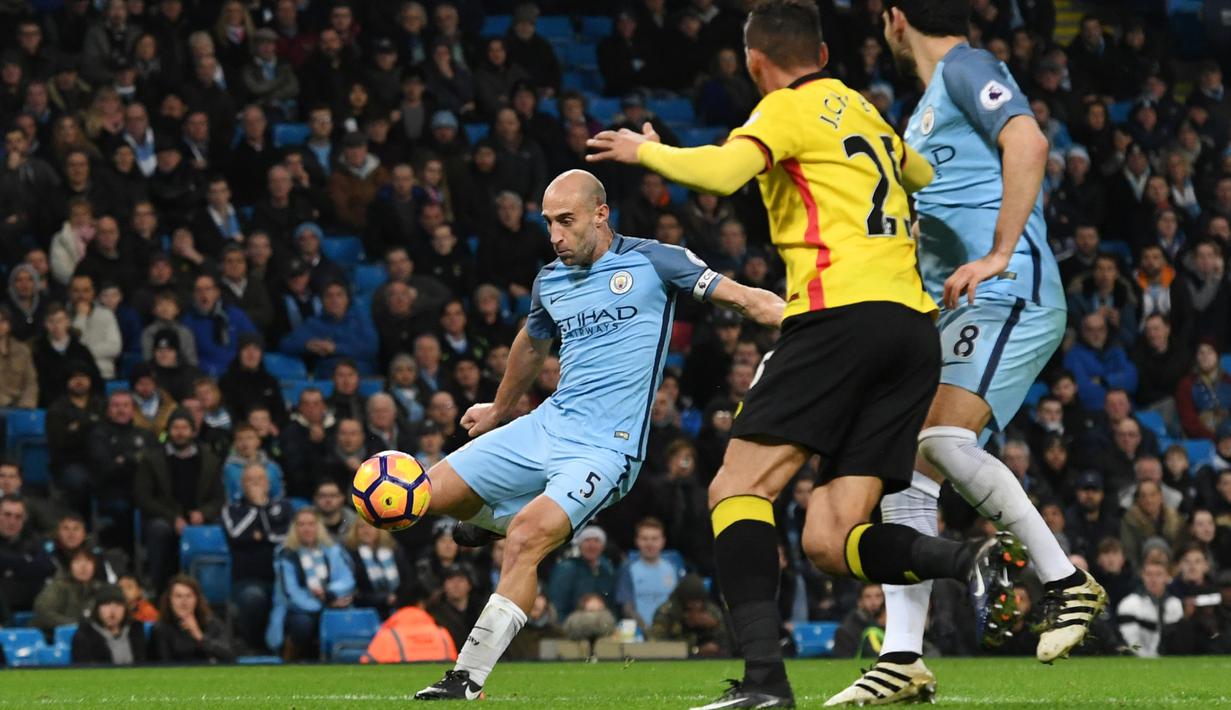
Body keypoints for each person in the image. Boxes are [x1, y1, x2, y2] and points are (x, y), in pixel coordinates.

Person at [586, 4, 1021, 706]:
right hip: (911, 330)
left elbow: (725, 172)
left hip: (838, 317)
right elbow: (915, 172)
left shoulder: (785, 108)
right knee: (829, 537)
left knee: (736, 489)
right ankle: (969, 557)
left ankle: (764, 682)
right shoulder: (866, 111)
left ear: (754, 62)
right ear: (820, 53)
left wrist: (647, 153)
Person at [411, 168, 781, 700]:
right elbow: (532, 344)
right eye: (548, 223)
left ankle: (465, 678)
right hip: (546, 424)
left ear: (601, 214)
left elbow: (746, 299)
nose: (555, 236)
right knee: (421, 496)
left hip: (607, 450)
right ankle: (498, 518)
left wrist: (814, 328)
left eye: (566, 221)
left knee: (526, 540)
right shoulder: (549, 279)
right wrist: (498, 410)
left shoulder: (657, 261)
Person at [134, 408, 225, 590]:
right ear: (168, 431)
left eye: (184, 428)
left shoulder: (210, 460)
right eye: (175, 428)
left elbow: (219, 498)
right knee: (159, 530)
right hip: (165, 517)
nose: (180, 432)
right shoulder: (151, 460)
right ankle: (159, 589)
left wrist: (203, 513)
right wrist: (173, 517)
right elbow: (143, 498)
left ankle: (211, 590)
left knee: (219, 527)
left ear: (193, 431)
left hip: (199, 518)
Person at [266, 508, 355, 659]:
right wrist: (324, 602)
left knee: (346, 616)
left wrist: (329, 594)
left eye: (311, 524)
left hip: (331, 602)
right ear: (294, 529)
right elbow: (291, 593)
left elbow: (346, 579)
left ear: (319, 527)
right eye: (301, 524)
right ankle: (290, 658)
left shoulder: (332, 550)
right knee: (303, 623)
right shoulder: (285, 554)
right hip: (297, 608)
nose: (307, 529)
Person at [222, 464, 290, 654]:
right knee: (254, 597)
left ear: (268, 483)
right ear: (242, 484)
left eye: (259, 479)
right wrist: (256, 508)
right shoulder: (232, 509)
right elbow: (236, 534)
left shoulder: (284, 507)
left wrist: (262, 536)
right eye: (250, 480)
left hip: (283, 579)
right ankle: (256, 647)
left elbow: (287, 537)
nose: (256, 484)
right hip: (247, 579)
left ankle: (291, 651)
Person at [615, 517, 683, 635]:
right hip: (639, 634)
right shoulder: (627, 569)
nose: (650, 543)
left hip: (670, 634)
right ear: (637, 541)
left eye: (654, 539)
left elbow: (681, 603)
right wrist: (646, 629)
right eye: (645, 539)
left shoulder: (674, 568)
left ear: (663, 541)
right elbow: (627, 608)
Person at [150, 574, 235, 663]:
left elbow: (230, 655)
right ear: (170, 600)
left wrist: (199, 635)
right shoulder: (160, 629)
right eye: (178, 596)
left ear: (197, 599)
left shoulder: (211, 623)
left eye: (189, 596)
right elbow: (160, 664)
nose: (184, 601)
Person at [648, 574, 730, 658]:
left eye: (699, 601)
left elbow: (728, 639)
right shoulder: (666, 613)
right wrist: (695, 650)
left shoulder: (710, 610)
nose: (697, 605)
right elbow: (656, 645)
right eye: (692, 602)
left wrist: (715, 625)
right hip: (674, 659)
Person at [344, 522, 412, 619]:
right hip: (365, 611)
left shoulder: (394, 549)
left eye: (371, 526)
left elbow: (407, 579)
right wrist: (383, 599)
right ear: (355, 531)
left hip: (399, 607)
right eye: (362, 526)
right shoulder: (349, 555)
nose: (366, 531)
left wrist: (397, 598)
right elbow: (354, 591)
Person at [1116, 560, 1182, 657]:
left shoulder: (1175, 604)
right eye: (1149, 574)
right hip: (1139, 660)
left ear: (1167, 577)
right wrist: (1149, 659)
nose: (1153, 579)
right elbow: (1130, 640)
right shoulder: (1129, 604)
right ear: (1142, 576)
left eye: (1158, 574)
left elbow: (1176, 639)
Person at [70, 584, 149, 665]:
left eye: (118, 605)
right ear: (97, 609)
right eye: (106, 604)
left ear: (125, 608)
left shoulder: (135, 629)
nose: (112, 611)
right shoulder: (84, 635)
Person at [32, 548, 106, 631]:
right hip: (50, 634)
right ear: (70, 565)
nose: (83, 566)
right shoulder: (58, 586)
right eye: (77, 561)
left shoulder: (101, 589)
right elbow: (43, 610)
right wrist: (75, 624)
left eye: (88, 561)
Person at [832, 584, 887, 659]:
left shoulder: (892, 626)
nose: (874, 602)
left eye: (878, 596)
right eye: (868, 597)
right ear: (859, 602)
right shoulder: (846, 631)